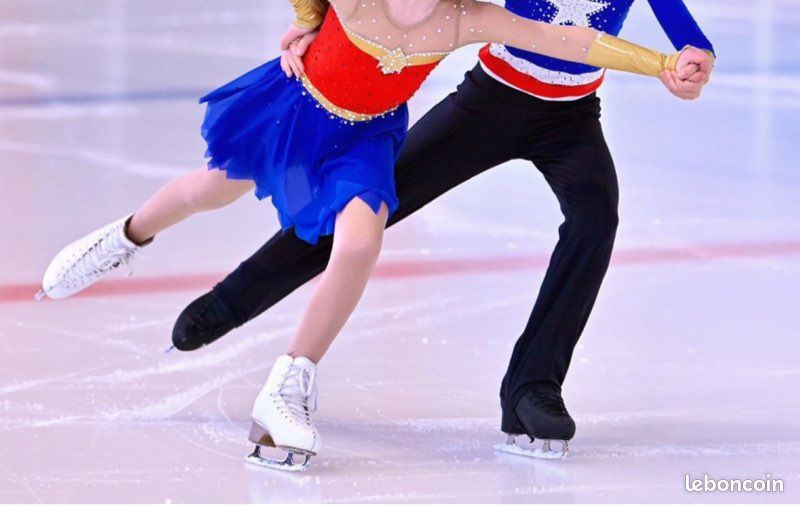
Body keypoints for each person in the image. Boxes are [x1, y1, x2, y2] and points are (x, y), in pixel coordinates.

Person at [39, 0, 710, 470]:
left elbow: (604, 33)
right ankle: (222, 291)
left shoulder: (463, 17)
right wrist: (308, 23)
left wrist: (674, 58)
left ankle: (531, 389)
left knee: (591, 217)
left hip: (564, 116)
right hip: (483, 101)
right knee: (255, 195)